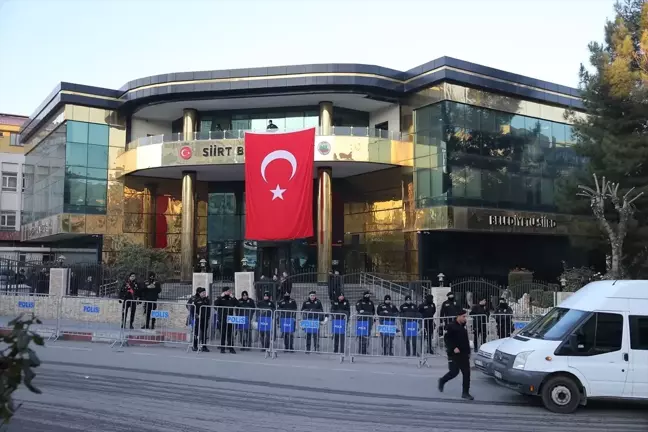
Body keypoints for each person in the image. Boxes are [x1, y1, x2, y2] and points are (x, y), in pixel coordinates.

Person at [438, 310, 474, 400]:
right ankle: (442, 380)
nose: (465, 318)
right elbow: (447, 339)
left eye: (465, 317)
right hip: (454, 354)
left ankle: (465, 393)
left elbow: (465, 340)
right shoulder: (451, 326)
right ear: (458, 316)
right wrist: (453, 348)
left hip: (464, 354)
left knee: (467, 373)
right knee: (454, 372)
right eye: (463, 316)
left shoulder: (463, 326)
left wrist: (468, 352)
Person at [214, 287, 239, 353]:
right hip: (222, 318)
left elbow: (238, 304)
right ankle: (222, 348)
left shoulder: (231, 298)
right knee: (223, 333)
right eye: (228, 291)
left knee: (230, 334)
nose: (229, 292)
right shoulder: (220, 298)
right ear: (224, 291)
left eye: (230, 291)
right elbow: (215, 304)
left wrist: (233, 297)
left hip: (230, 318)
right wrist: (220, 297)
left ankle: (231, 348)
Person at [190, 287, 211, 352]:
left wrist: (208, 316)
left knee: (204, 332)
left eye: (205, 292)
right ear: (199, 293)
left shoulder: (206, 300)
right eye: (203, 292)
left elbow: (209, 309)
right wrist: (194, 315)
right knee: (196, 332)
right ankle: (195, 345)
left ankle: (204, 346)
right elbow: (192, 309)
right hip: (198, 319)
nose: (204, 293)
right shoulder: (196, 300)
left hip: (205, 319)